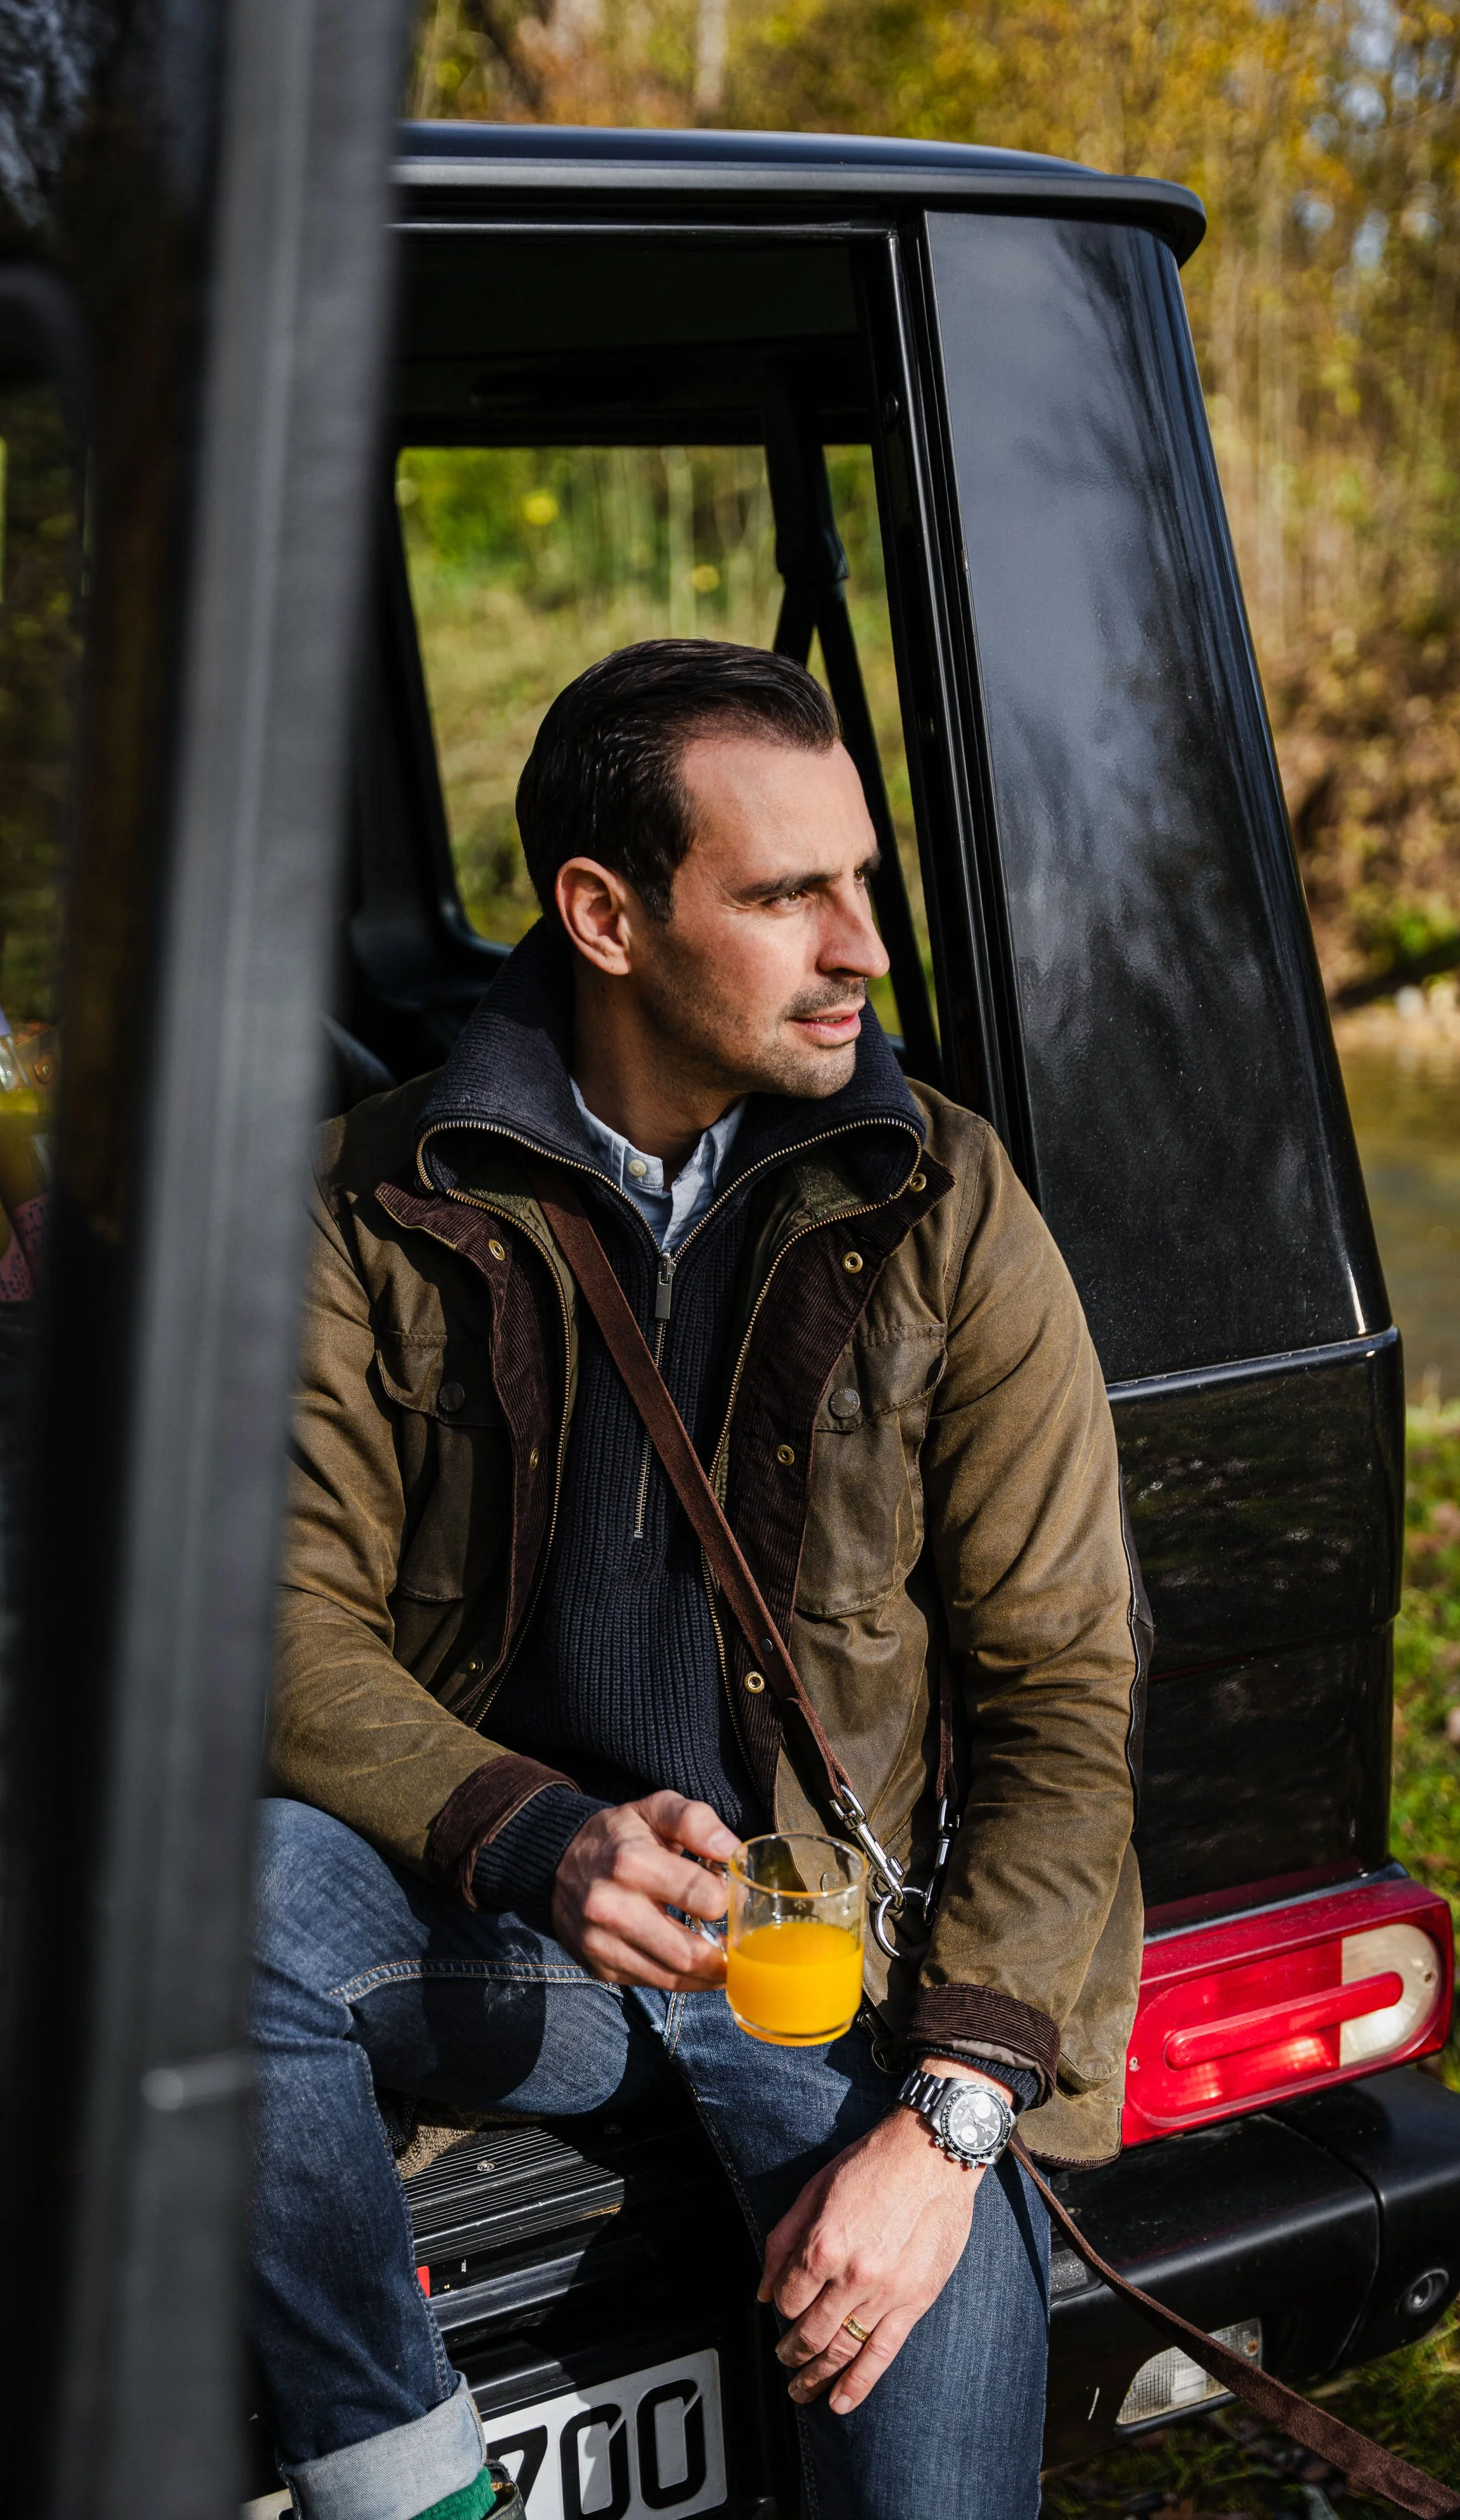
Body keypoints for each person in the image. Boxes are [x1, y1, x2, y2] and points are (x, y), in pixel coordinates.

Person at [251, 637, 1149, 2520]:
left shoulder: (949, 1202)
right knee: (222, 1902)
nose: (863, 949)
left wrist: (947, 2119)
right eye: (784, 893)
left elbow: (1065, 1697)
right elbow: (277, 1626)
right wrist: (528, 1831)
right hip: (503, 1928)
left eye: (862, 882)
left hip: (827, 1984)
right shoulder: (368, 1195)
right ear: (602, 914)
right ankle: (408, 2480)